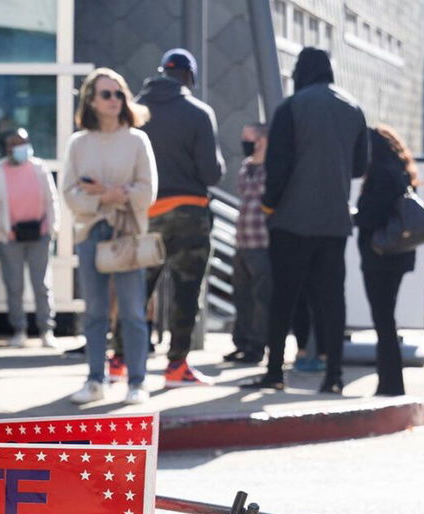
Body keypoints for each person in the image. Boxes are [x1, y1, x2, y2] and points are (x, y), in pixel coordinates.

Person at [243, 47, 368, 394]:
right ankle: (335, 376)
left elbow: (278, 167)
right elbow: (360, 166)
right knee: (332, 299)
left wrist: (269, 207)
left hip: (291, 220)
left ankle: (274, 372)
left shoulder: (291, 108)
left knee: (283, 296)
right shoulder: (353, 107)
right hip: (334, 221)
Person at [110, 48, 224, 387]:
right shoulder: (199, 113)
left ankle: (118, 360)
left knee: (135, 290)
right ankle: (176, 365)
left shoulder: (133, 111)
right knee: (187, 290)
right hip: (189, 211)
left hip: (142, 213)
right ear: (189, 76)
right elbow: (211, 173)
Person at [61, 68, 158, 405]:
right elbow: (70, 193)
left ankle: (136, 381)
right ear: (91, 99)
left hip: (127, 231)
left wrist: (119, 192)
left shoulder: (136, 140)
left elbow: (148, 191)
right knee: (95, 311)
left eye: (119, 93)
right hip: (90, 231)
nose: (114, 100)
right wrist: (102, 197)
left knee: (132, 310)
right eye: (106, 94)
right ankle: (95, 380)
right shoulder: (79, 143)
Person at [0, 127, 60, 348]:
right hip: (10, 238)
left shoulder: (39, 168)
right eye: (14, 143)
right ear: (6, 148)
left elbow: (52, 200)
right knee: (14, 285)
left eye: (23, 142)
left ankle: (46, 330)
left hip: (39, 236)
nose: (19, 147)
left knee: (41, 284)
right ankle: (19, 329)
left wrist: (52, 228)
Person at [354, 125, 418, 396]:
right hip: (397, 254)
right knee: (385, 318)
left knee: (383, 320)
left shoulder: (381, 175)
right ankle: (391, 382)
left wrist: (355, 215)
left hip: (380, 256)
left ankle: (390, 384)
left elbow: (372, 216)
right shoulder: (399, 171)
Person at [226, 122, 270, 365]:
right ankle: (241, 342)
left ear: (261, 139)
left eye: (248, 137)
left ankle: (257, 346)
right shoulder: (246, 166)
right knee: (241, 296)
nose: (244, 141)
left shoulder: (271, 167)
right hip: (242, 240)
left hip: (262, 240)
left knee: (260, 298)